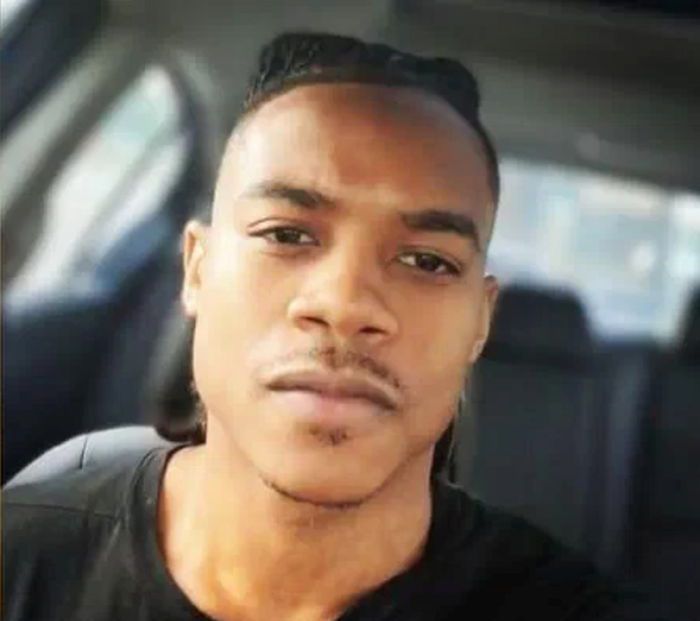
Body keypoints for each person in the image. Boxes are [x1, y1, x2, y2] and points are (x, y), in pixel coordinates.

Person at [2, 32, 672, 621]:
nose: (346, 304)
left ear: (480, 321)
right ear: (197, 271)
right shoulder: (22, 558)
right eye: (286, 234)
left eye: (427, 261)